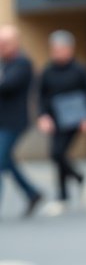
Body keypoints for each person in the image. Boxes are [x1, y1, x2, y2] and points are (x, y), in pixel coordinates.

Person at [37, 30, 86, 211]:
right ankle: (66, 194)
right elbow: (41, 96)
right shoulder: (48, 71)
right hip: (55, 119)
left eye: (60, 49)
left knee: (58, 153)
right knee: (58, 155)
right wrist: (43, 116)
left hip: (76, 119)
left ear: (70, 49)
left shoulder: (80, 70)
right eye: (54, 49)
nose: (57, 52)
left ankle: (76, 184)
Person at [0, 24, 43, 217]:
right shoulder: (4, 63)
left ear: (15, 43)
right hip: (2, 122)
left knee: (0, 160)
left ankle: (32, 193)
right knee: (6, 161)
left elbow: (7, 86)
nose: (1, 46)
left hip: (13, 123)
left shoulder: (22, 63)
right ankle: (32, 193)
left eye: (5, 42)